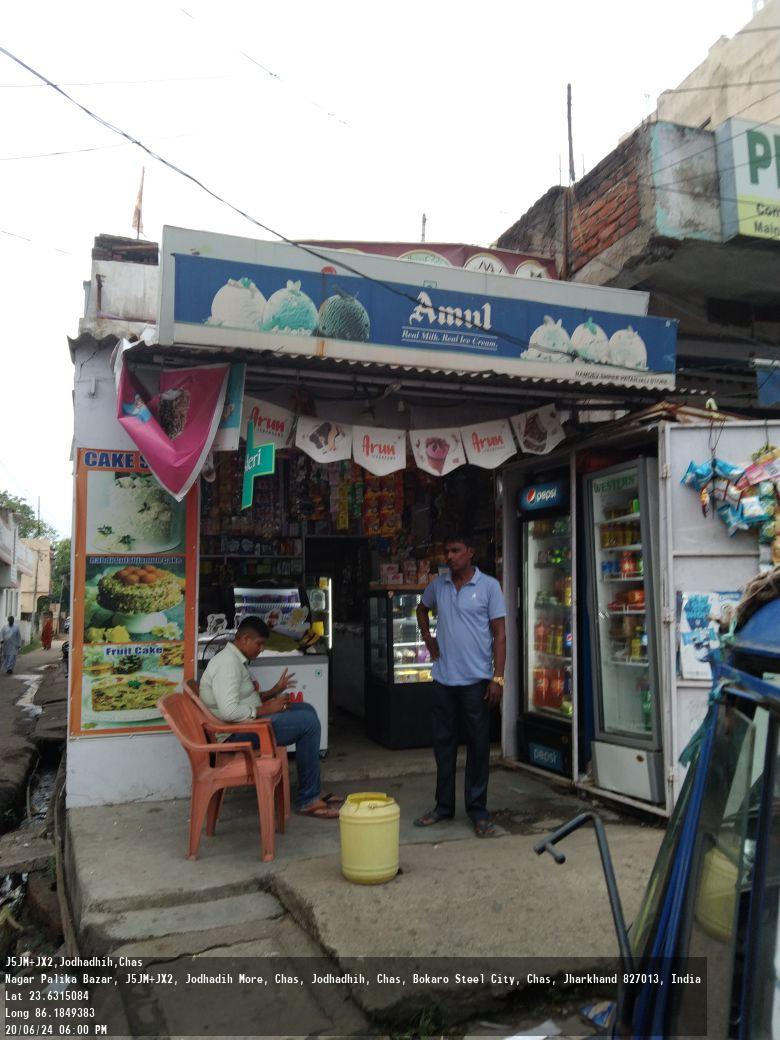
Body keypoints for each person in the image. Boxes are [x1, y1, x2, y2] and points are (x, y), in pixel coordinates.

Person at [199, 615, 340, 818]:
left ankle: (312, 788)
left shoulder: (236, 660)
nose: (262, 649)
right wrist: (264, 709)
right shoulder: (228, 664)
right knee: (308, 723)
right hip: (234, 734)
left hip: (245, 724)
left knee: (307, 709)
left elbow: (244, 700)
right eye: (259, 644)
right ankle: (308, 799)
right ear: (245, 639)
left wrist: (274, 691)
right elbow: (230, 711)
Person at [414, 535, 506, 837]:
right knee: (443, 746)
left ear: (470, 552)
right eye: (447, 551)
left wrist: (498, 678)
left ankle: (478, 811)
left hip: (476, 681)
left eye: (455, 551)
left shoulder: (489, 586)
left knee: (478, 748)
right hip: (443, 680)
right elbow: (421, 609)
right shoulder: (438, 585)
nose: (450, 556)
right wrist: (427, 638)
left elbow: (500, 635)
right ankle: (443, 806)